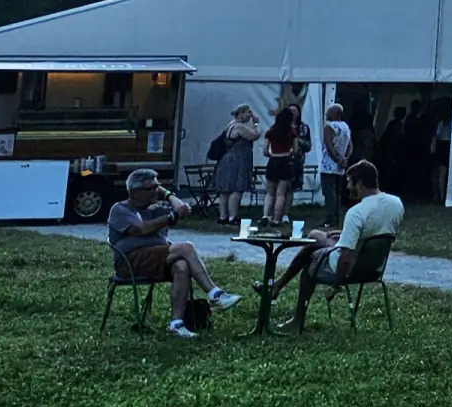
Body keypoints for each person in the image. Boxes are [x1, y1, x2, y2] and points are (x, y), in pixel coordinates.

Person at [107, 168, 237, 336]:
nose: (155, 191)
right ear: (135, 192)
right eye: (151, 188)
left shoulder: (154, 208)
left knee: (181, 266)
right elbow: (141, 229)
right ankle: (215, 294)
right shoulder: (121, 209)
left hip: (156, 259)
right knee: (186, 247)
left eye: (157, 187)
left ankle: (176, 324)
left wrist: (167, 193)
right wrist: (171, 216)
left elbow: (184, 209)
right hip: (131, 262)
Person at [287, 156, 403, 328]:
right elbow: (378, 231)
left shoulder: (356, 212)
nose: (348, 187)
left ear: (360, 184)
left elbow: (346, 257)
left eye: (350, 183)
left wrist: (336, 285)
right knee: (319, 237)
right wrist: (345, 234)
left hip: (350, 268)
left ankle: (297, 318)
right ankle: (277, 287)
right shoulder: (396, 204)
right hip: (375, 268)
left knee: (311, 255)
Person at [206, 105, 259, 225]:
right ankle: (232, 217)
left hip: (227, 159)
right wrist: (256, 123)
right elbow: (255, 135)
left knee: (225, 190)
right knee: (236, 188)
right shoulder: (239, 126)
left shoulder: (230, 125)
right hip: (237, 160)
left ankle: (223, 216)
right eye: (248, 112)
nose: (250, 115)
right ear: (240, 114)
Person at [261, 100, 307, 224]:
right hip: (286, 161)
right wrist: (289, 152)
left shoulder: (270, 131)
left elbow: (264, 151)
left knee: (270, 193)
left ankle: (265, 216)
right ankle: (277, 218)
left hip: (273, 161)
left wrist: (272, 154)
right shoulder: (292, 133)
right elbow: (296, 150)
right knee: (281, 193)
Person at [317, 102, 355, 219]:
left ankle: (330, 217)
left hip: (329, 165)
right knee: (337, 192)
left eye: (328, 112)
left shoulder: (329, 126)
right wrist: (345, 159)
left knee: (328, 192)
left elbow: (329, 145)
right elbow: (350, 146)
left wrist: (337, 159)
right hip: (341, 166)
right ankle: (337, 216)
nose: (326, 113)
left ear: (334, 114)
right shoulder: (345, 126)